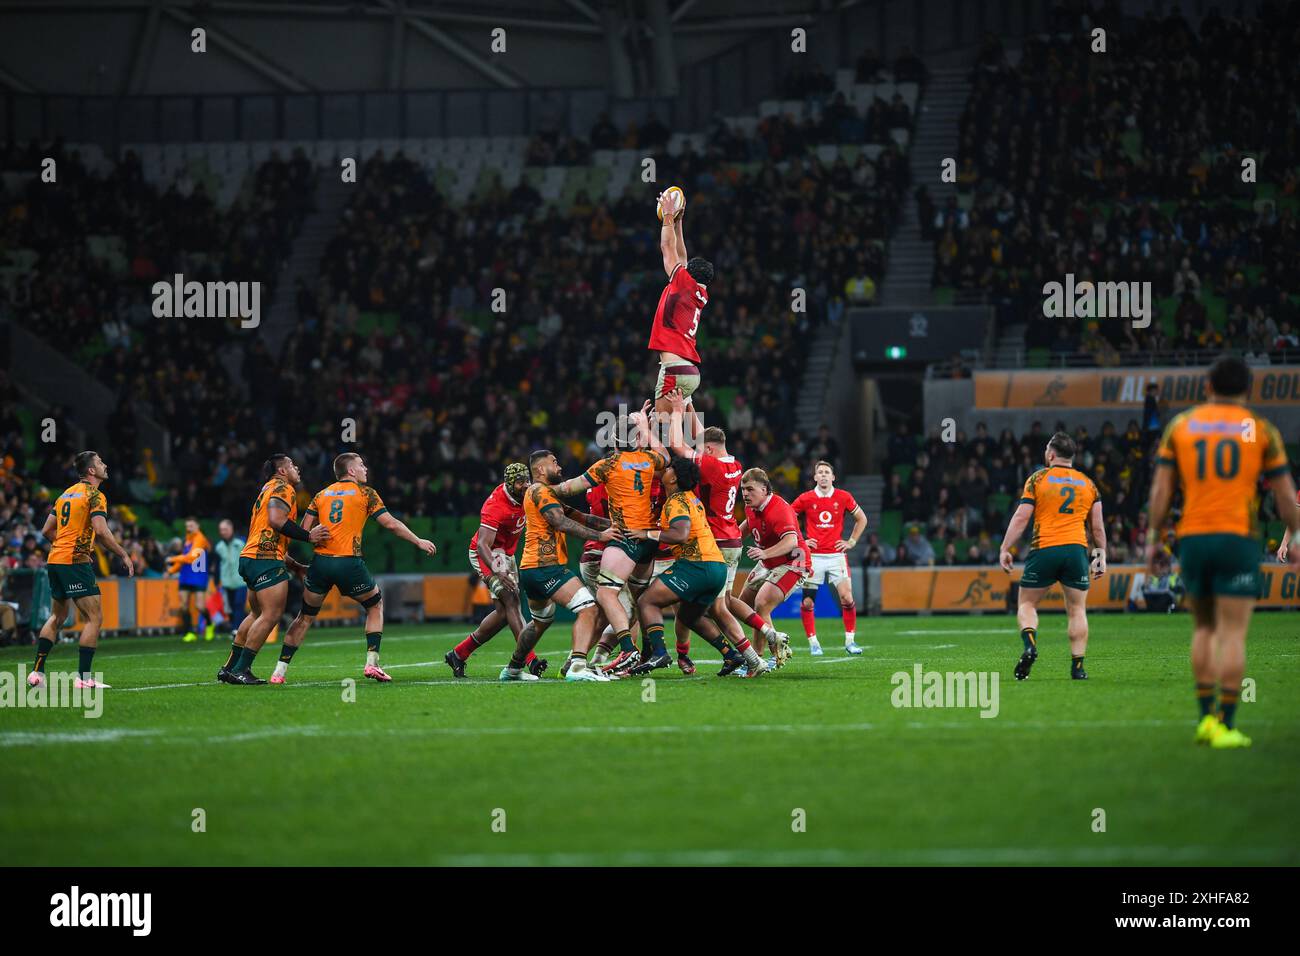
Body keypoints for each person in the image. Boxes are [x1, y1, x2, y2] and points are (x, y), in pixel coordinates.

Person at [1147, 356, 1300, 749]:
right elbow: (1286, 497)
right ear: (1248, 390)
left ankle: (1204, 720)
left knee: (1203, 629)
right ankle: (1227, 724)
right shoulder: (1260, 430)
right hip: (1238, 538)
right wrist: (1294, 538)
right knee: (1233, 634)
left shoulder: (1181, 426)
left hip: (1194, 537)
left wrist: (1153, 538)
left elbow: (1161, 492)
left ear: (1208, 386)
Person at [272, 453, 437, 684]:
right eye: (361, 465)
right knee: (374, 604)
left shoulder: (321, 495)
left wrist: (311, 540)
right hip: (348, 562)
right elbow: (390, 524)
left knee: (305, 617)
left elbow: (304, 529)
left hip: (320, 563)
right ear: (351, 471)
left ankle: (279, 672)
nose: (365, 469)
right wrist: (418, 541)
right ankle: (372, 664)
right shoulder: (366, 493)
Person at [623, 456, 765, 677]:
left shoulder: (676, 501)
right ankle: (731, 655)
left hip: (697, 565)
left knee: (646, 601)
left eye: (669, 469)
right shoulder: (692, 498)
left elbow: (680, 534)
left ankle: (659, 652)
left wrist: (645, 534)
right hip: (716, 568)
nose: (665, 471)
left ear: (674, 478)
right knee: (690, 618)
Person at [999, 432, 1105, 681]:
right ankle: (1078, 668)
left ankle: (1030, 645)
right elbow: (1097, 528)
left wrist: (1005, 548)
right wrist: (1099, 557)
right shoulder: (1088, 484)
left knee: (1026, 604)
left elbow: (1022, 517)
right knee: (1077, 610)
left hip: (1044, 548)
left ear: (1051, 454)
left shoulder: (1037, 479)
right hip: (1076, 550)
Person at [30, 451, 134, 689]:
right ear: (91, 471)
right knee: (94, 618)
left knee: (57, 616)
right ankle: (84, 679)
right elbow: (102, 530)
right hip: (74, 562)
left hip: (55, 559)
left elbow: (46, 530)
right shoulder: (95, 495)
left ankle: (36, 673)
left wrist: (64, 545)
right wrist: (123, 554)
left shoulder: (65, 495)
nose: (104, 465)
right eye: (100, 462)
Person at [519, 449, 622, 682]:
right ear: (541, 469)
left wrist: (618, 526)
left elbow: (580, 517)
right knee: (590, 609)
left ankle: (513, 668)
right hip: (547, 567)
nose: (560, 467)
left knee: (540, 622)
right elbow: (560, 522)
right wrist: (601, 536)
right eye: (554, 462)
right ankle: (577, 666)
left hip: (530, 569)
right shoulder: (540, 491)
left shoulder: (542, 494)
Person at [223, 454, 325, 685]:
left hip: (252, 556)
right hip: (265, 559)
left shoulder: (266, 489)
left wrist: (294, 565)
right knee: (271, 615)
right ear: (281, 471)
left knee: (256, 614)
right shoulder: (283, 488)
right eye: (291, 465)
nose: (296, 468)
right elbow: (277, 521)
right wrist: (309, 536)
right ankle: (241, 670)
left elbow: (268, 534)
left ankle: (229, 668)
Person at [444, 463, 546, 678]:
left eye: (527, 479)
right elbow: (482, 545)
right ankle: (530, 660)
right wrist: (499, 571)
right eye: (520, 481)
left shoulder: (529, 494)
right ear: (510, 483)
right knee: (512, 601)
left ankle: (459, 654)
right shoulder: (496, 505)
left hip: (506, 554)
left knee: (503, 614)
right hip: (487, 554)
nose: (525, 484)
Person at [649, 187, 713, 443]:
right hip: (690, 371)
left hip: (675, 368)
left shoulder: (682, 284)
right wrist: (679, 221)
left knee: (662, 432)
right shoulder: (698, 291)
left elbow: (667, 247)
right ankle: (717, 463)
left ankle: (684, 477)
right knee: (685, 433)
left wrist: (667, 216)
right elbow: (681, 256)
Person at [792, 460, 867, 656]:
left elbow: (862, 518)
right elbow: (787, 517)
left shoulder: (843, 497)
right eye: (820, 472)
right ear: (815, 477)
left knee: (847, 598)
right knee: (808, 603)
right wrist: (801, 540)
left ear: (833, 477)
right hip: (813, 558)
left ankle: (850, 641)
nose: (824, 475)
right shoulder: (806, 498)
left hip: (836, 557)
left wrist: (851, 542)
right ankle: (813, 643)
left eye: (827, 472)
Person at [167, 517, 212, 642]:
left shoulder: (200, 539)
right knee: (183, 605)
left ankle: (209, 625)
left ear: (197, 526)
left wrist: (172, 559)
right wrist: (171, 571)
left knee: (199, 606)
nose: (188, 528)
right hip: (185, 575)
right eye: (187, 526)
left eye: (191, 526)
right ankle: (189, 632)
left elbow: (191, 558)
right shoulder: (187, 540)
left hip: (198, 575)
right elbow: (184, 560)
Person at [213, 518, 247, 633]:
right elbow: (217, 565)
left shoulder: (241, 542)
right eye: (221, 530)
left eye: (225, 529)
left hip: (241, 580)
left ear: (231, 529)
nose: (223, 532)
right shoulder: (219, 546)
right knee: (230, 608)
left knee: (239, 604)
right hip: (227, 582)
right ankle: (236, 627)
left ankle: (237, 629)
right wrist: (216, 581)